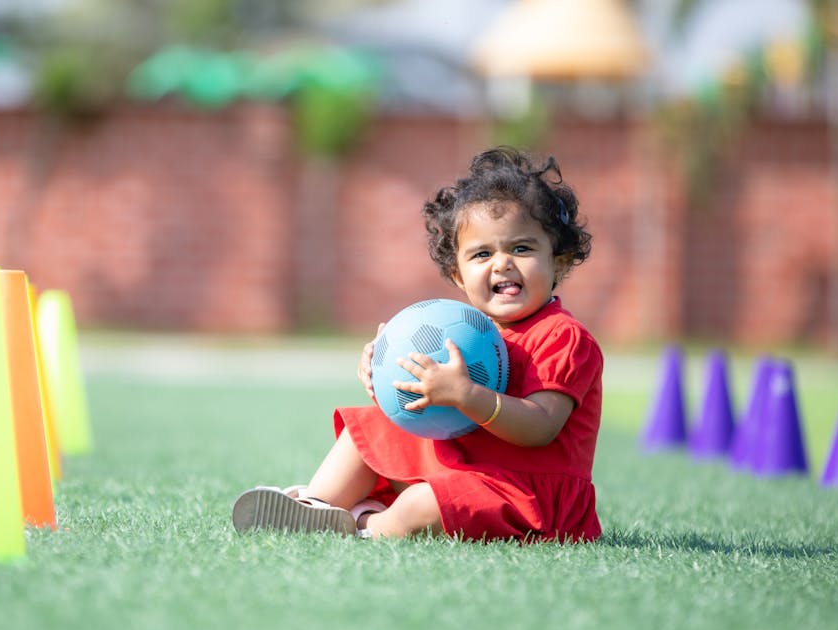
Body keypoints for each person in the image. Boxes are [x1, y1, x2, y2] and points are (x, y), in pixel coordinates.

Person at [232, 146, 603, 542]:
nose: (502, 263)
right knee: (374, 424)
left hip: (529, 496)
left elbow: (540, 427)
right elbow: (420, 403)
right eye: (482, 254)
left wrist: (467, 395)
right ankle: (315, 505)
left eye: (521, 248)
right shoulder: (459, 330)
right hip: (469, 470)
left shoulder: (563, 336)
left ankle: (363, 526)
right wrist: (386, 373)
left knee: (424, 504)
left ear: (558, 261)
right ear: (458, 275)